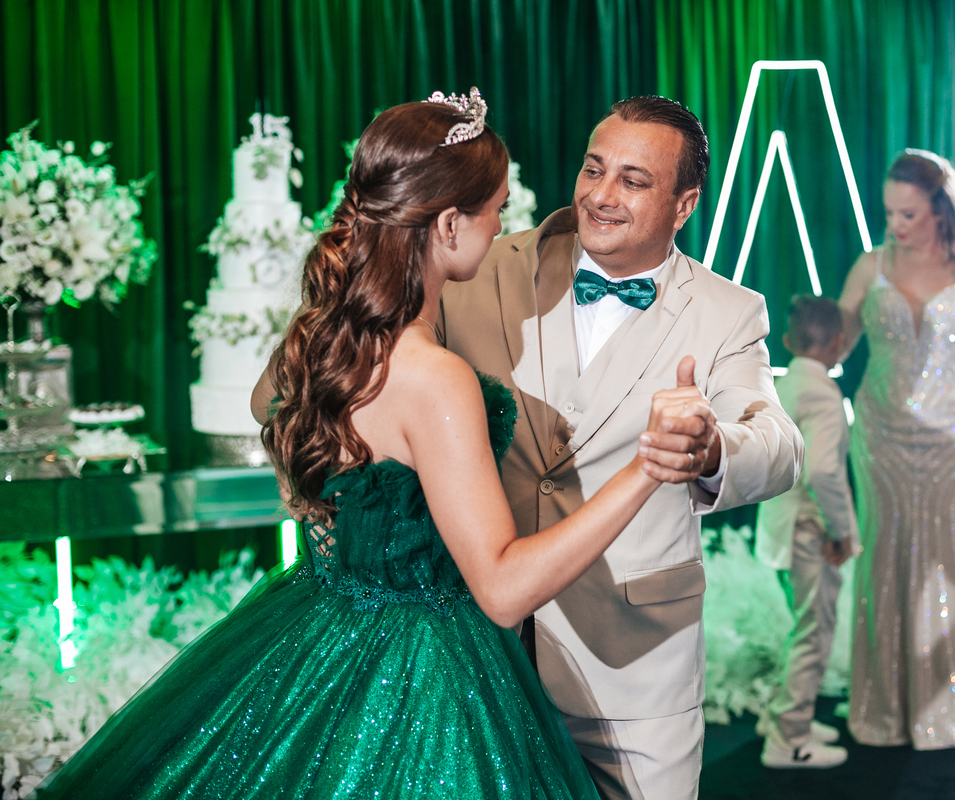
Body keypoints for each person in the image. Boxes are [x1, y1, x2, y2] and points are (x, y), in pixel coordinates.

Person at [33, 94, 714, 799]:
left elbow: (263, 402)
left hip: (319, 630)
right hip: (427, 672)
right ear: (448, 225)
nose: (501, 227)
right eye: (497, 209)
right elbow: (504, 590)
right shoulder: (434, 378)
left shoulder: (324, 340)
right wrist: (647, 467)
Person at [440, 95, 802, 800]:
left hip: (635, 669)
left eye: (633, 181)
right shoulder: (481, 265)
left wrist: (710, 448)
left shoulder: (729, 312)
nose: (601, 196)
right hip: (476, 654)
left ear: (684, 205)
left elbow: (781, 446)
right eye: (593, 169)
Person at [838, 149, 955, 752]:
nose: (896, 224)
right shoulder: (871, 266)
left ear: (941, 210)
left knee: (951, 562)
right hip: (881, 436)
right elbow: (832, 343)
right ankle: (887, 706)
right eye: (890, 212)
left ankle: (953, 704)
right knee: (884, 558)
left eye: (909, 213)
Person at [753, 294, 859, 770]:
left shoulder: (784, 384)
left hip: (781, 523)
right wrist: (843, 530)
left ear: (787, 340)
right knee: (813, 633)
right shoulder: (824, 394)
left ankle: (780, 716)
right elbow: (822, 472)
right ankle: (788, 740)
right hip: (810, 528)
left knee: (802, 626)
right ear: (838, 343)